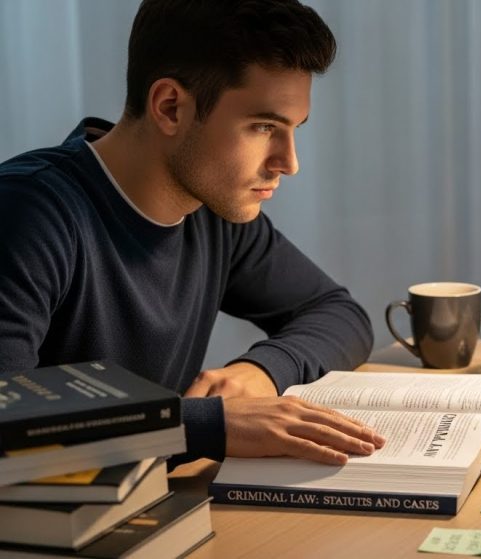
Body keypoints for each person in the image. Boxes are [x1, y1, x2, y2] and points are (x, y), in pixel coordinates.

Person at [0, 0, 385, 466]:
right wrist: (207, 426)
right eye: (263, 126)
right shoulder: (26, 214)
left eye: (293, 129)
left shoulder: (212, 212)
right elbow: (8, 421)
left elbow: (338, 314)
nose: (289, 162)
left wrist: (262, 371)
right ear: (170, 107)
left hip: (160, 499)